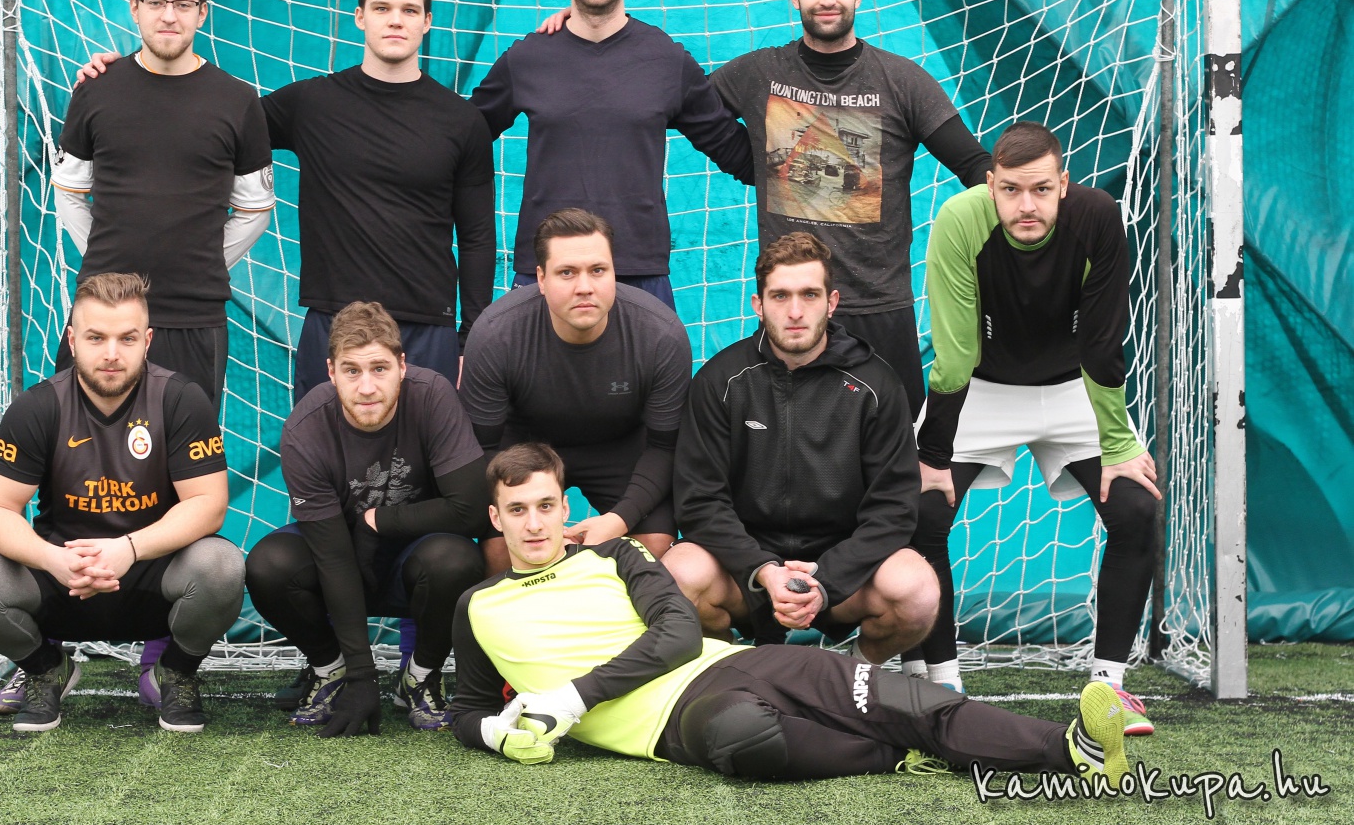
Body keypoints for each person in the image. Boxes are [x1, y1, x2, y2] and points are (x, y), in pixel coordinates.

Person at [447, 441, 1130, 787]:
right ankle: (898, 755)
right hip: (675, 721)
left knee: (904, 698)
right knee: (745, 737)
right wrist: (495, 734)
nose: (534, 523)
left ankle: (1075, 747)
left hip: (735, 663)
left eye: (545, 505)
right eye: (517, 510)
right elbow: (468, 708)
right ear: (495, 518)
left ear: (564, 506)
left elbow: (680, 633)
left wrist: (574, 696)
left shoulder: (615, 555)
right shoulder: (478, 606)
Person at [75, 0, 494, 395]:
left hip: (427, 327)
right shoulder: (312, 104)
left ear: (427, 22)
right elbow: (206, 121)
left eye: (409, 10)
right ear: (359, 16)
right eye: (381, 8)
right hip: (332, 322)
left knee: (427, 443)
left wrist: (472, 337)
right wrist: (128, 78)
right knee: (320, 442)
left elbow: (478, 237)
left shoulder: (461, 122)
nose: (395, 20)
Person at [905, 121, 1160, 735]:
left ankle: (1108, 688)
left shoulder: (1098, 216)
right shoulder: (959, 220)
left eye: (1042, 189)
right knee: (919, 511)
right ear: (990, 185)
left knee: (1136, 509)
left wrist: (1119, 445)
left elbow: (1102, 342)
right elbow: (956, 353)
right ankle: (940, 684)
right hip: (980, 390)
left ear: (1063, 185)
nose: (1027, 205)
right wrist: (932, 455)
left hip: (1075, 390)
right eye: (1011, 190)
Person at [0, 273, 245, 733]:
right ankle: (45, 668)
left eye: (127, 338)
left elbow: (209, 503)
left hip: (152, 576)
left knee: (222, 566)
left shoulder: (181, 399)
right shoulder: (38, 407)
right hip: (62, 578)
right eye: (96, 337)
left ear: (147, 341)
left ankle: (176, 672)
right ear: (72, 340)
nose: (111, 353)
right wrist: (52, 559)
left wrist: (128, 549)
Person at [710, 0, 993, 417]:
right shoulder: (758, 74)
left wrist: (1041, 205)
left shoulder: (902, 81)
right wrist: (746, 163)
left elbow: (974, 166)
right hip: (795, 310)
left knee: (896, 454)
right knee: (789, 455)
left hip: (880, 309)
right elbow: (680, 107)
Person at [665, 232, 936, 663]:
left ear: (831, 302)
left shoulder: (876, 385)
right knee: (677, 574)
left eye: (809, 295)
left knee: (917, 589)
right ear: (758, 304)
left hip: (842, 570)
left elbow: (894, 508)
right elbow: (700, 501)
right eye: (780, 296)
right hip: (745, 568)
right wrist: (763, 571)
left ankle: (855, 675)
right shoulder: (721, 381)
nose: (795, 312)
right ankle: (730, 673)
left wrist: (826, 578)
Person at [470, 0, 754, 309]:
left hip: (637, 270)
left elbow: (737, 153)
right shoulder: (527, 58)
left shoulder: (666, 61)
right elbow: (462, 137)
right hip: (547, 269)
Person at [244, 301, 487, 735]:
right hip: (339, 554)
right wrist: (361, 675)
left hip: (416, 556)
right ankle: (331, 669)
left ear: (402, 366)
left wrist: (379, 522)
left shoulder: (432, 395)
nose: (367, 387)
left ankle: (420, 676)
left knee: (457, 560)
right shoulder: (305, 429)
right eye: (352, 371)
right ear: (331, 372)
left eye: (379, 368)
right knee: (269, 565)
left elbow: (469, 509)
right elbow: (333, 559)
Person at [52, 0, 275, 410]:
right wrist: (111, 274)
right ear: (134, 8)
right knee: (80, 451)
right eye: (155, 2)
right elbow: (69, 193)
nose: (169, 16)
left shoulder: (238, 101)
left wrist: (204, 263)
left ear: (202, 12)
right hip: (102, 318)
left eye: (183, 4)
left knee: (183, 455)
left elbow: (255, 209)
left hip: (194, 319)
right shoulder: (95, 89)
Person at [459, 209, 691, 569]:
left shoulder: (661, 335)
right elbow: (482, 446)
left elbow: (665, 447)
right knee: (503, 553)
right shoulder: (496, 334)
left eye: (598, 270)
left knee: (654, 547)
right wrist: (539, 529)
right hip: (524, 449)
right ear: (541, 278)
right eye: (567, 272)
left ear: (614, 272)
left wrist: (618, 521)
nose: (585, 286)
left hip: (619, 447)